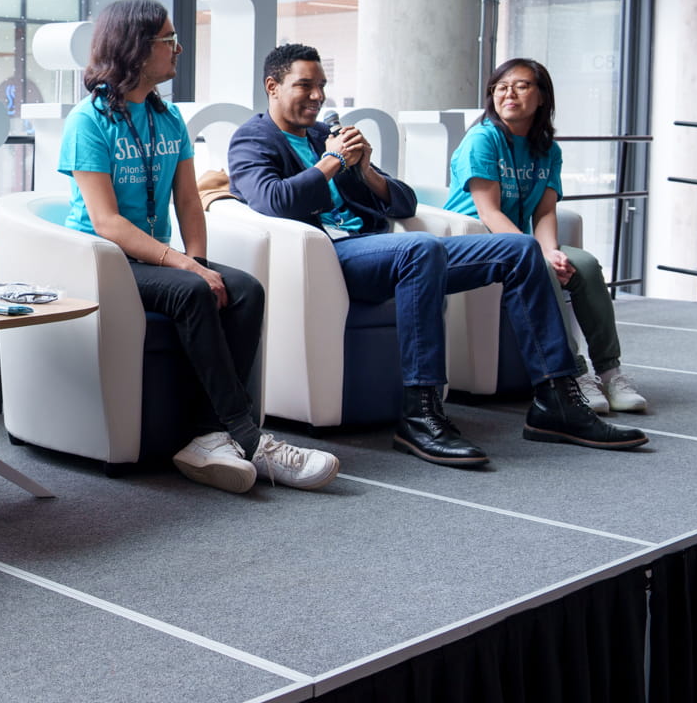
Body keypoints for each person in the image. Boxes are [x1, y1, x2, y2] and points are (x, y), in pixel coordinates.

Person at [228, 43, 646, 465]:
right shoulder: (253, 138)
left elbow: (404, 203)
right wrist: (332, 162)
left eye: (322, 86)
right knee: (420, 249)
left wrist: (367, 170)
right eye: (305, 86)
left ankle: (556, 399)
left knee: (520, 249)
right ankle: (421, 415)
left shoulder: (324, 134)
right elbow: (271, 200)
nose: (318, 97)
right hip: (332, 258)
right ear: (273, 86)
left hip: (385, 250)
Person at [61, 0, 339, 493]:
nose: (179, 48)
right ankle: (250, 439)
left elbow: (190, 202)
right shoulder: (89, 121)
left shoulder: (167, 120)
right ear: (138, 48)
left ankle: (206, 438)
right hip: (101, 262)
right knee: (191, 290)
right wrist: (185, 268)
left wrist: (201, 262)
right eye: (169, 39)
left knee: (244, 289)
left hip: (156, 261)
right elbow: (106, 223)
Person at [445, 58, 647, 413]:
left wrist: (551, 251)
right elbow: (489, 212)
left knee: (584, 264)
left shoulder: (548, 150)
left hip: (514, 243)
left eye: (521, 85)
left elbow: (545, 212)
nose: (509, 93)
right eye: (501, 86)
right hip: (473, 241)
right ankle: (574, 374)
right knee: (541, 270)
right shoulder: (482, 139)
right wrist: (537, 256)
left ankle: (610, 371)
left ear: (542, 98)